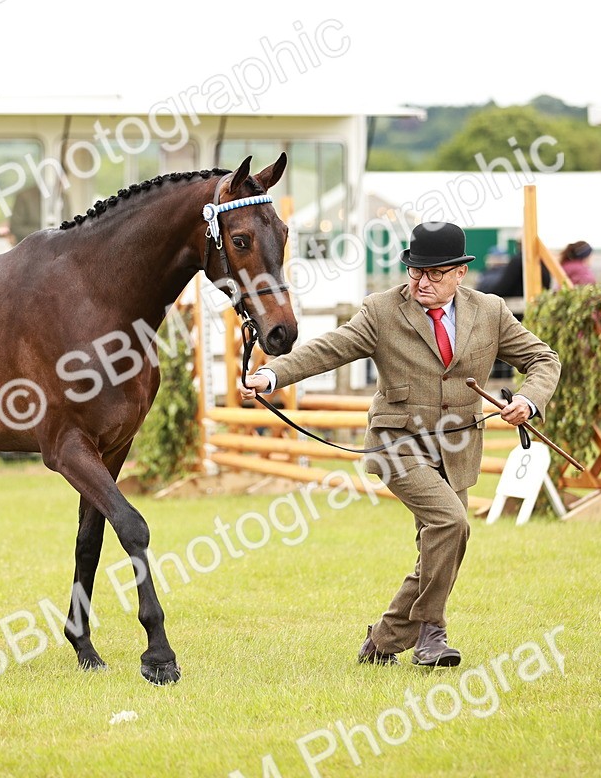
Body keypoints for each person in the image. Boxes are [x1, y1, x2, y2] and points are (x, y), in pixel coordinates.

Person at [239, 222, 560, 668]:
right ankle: (432, 634)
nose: (421, 282)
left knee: (438, 546)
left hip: (458, 447)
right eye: (415, 271)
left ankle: (384, 641)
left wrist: (527, 398)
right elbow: (330, 349)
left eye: (434, 274)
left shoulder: (491, 312)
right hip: (398, 444)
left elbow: (543, 358)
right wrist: (271, 375)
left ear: (459, 274)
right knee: (451, 523)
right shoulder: (382, 310)